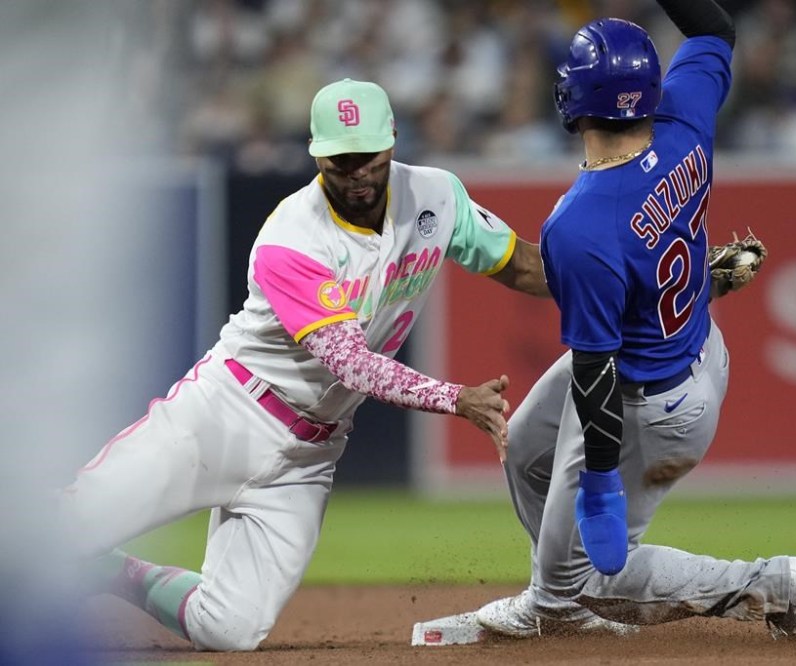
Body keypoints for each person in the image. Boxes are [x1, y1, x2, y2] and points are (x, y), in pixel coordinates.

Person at [58, 78, 549, 652]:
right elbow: (350, 364)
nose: (357, 172)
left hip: (309, 455)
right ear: (318, 157)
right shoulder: (293, 236)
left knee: (230, 630)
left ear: (392, 141)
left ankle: (109, 574)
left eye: (367, 156)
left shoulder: (438, 196)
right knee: (63, 534)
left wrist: (604, 274)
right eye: (340, 161)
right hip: (225, 415)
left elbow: (519, 264)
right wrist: (454, 398)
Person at [473, 0, 796, 639]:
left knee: (595, 575)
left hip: (644, 404)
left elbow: (595, 376)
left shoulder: (579, 226)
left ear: (570, 98)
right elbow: (714, 26)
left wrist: (599, 487)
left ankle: (769, 582)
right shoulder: (684, 117)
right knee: (523, 447)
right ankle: (561, 585)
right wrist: (705, 282)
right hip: (690, 347)